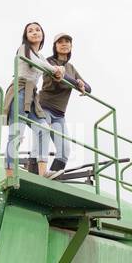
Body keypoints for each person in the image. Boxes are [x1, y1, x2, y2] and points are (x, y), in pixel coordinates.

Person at [2, 22, 59, 178]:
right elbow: (40, 65)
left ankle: (43, 172)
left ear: (42, 34)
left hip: (32, 96)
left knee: (44, 129)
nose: (34, 32)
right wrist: (55, 70)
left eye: (37, 30)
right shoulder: (23, 49)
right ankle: (9, 174)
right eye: (30, 31)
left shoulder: (41, 56)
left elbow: (51, 69)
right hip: (20, 91)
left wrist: (60, 70)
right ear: (26, 36)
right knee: (17, 134)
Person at [39, 32, 91, 174]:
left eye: (67, 41)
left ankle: (53, 176)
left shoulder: (71, 68)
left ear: (71, 46)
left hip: (59, 114)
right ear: (55, 46)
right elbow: (61, 80)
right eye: (60, 42)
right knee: (42, 138)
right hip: (44, 107)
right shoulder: (49, 61)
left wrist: (81, 83)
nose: (64, 44)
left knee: (65, 150)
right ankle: (38, 173)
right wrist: (77, 82)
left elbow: (89, 88)